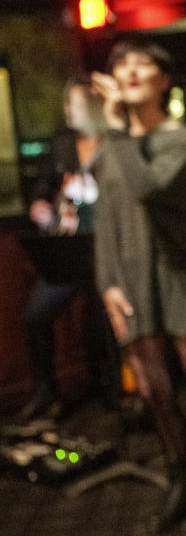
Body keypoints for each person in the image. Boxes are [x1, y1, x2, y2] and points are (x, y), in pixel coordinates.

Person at [90, 38, 186, 528]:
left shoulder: (178, 138)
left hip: (180, 276)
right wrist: (107, 283)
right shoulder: (112, 146)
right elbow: (104, 218)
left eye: (141, 63)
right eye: (119, 63)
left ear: (164, 81)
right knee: (153, 388)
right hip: (130, 279)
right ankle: (182, 471)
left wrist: (115, 130)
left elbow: (146, 188)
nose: (128, 71)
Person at [19, 75, 109, 421]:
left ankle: (119, 390)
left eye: (75, 104)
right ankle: (45, 392)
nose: (68, 111)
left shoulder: (113, 142)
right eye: (66, 104)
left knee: (109, 319)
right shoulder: (61, 143)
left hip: (107, 243)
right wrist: (40, 203)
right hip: (69, 243)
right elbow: (42, 187)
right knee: (35, 315)